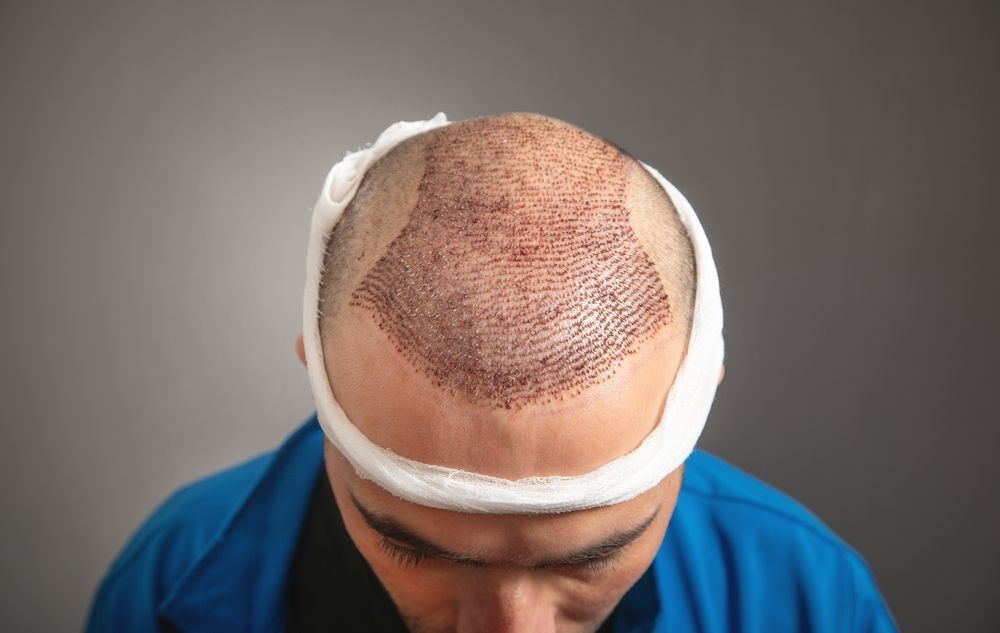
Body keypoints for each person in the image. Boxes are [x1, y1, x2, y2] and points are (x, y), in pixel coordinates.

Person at [85, 113, 897, 632]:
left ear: (705, 386)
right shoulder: (170, 580)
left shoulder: (810, 601)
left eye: (587, 559)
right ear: (320, 378)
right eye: (419, 550)